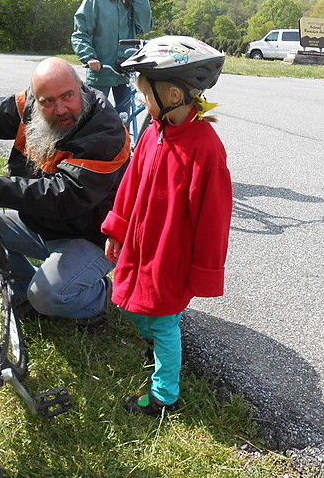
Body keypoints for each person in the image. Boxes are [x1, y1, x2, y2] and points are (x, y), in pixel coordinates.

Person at [0, 57, 130, 327]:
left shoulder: (105, 131)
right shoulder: (30, 103)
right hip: (41, 224)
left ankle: (97, 299)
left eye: (68, 96)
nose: (61, 109)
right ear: (36, 99)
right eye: (48, 101)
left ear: (81, 87)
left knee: (48, 296)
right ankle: (22, 294)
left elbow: (65, 196)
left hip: (93, 235)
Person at [100, 36, 233, 415]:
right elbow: (131, 184)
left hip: (170, 256)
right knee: (141, 310)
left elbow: (214, 219)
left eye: (145, 94)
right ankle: (158, 348)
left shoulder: (205, 149)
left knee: (162, 322)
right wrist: (117, 227)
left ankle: (164, 395)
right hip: (141, 249)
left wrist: (203, 271)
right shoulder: (154, 132)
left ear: (172, 94)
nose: (142, 100)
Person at [71, 0, 153, 117]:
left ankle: (124, 142)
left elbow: (144, 27)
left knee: (125, 118)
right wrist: (89, 57)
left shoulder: (130, 2)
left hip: (124, 71)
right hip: (101, 71)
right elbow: (80, 34)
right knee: (94, 117)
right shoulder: (94, 1)